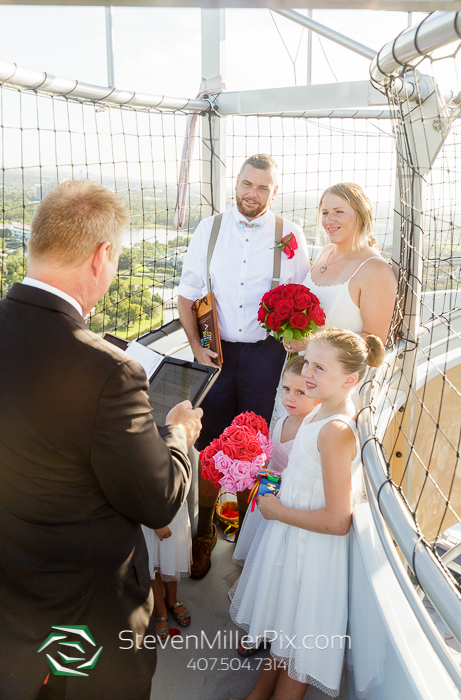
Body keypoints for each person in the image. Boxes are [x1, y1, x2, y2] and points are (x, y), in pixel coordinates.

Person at [0, 180, 202, 700]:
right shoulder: (109, 372)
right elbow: (156, 500)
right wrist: (176, 433)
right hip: (83, 621)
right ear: (102, 255)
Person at [230, 328, 385, 700]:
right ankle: (261, 689)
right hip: (293, 538)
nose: (309, 374)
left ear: (350, 379)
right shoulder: (321, 412)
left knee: (299, 635)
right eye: (309, 363)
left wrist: (278, 510)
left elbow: (337, 520)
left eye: (320, 368)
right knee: (286, 622)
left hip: (310, 550)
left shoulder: (334, 430)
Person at [178, 154, 310, 579]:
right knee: (209, 443)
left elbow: (303, 302)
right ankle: (203, 533)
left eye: (263, 188)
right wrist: (198, 350)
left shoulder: (290, 234)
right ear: (236, 183)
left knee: (258, 445)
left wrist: (293, 347)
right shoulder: (209, 229)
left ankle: (247, 530)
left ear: (275, 191)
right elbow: (188, 294)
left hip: (266, 356)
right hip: (216, 354)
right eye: (247, 184)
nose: (252, 194)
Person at [270, 182, 397, 423]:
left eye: (339, 212)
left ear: (360, 216)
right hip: (300, 381)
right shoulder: (325, 252)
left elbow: (375, 342)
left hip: (336, 391)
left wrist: (311, 341)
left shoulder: (375, 271)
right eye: (325, 212)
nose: (329, 220)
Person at [233, 355, 316, 569]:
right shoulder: (280, 422)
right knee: (260, 541)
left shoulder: (310, 433)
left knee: (276, 552)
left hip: (288, 502)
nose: (290, 398)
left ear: (317, 395)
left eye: (301, 392)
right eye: (286, 389)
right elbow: (271, 459)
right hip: (268, 493)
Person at [141, 500, 192, 641]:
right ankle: (160, 607)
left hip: (171, 499)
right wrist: (155, 522)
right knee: (152, 558)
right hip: (146, 506)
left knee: (171, 551)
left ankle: (172, 599)